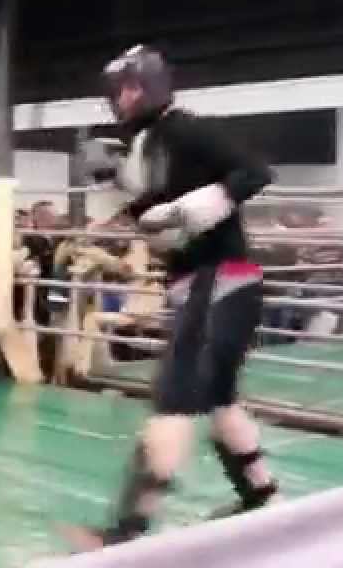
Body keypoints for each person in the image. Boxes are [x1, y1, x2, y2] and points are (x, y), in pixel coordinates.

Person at [65, 45, 278, 550]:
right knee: (219, 401)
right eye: (119, 90)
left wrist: (198, 206)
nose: (122, 98)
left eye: (129, 87)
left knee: (175, 400)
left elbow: (255, 171)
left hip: (219, 280)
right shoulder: (147, 145)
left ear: (149, 86)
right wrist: (127, 208)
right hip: (205, 282)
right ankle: (264, 500)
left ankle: (125, 533)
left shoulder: (184, 129)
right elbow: (158, 214)